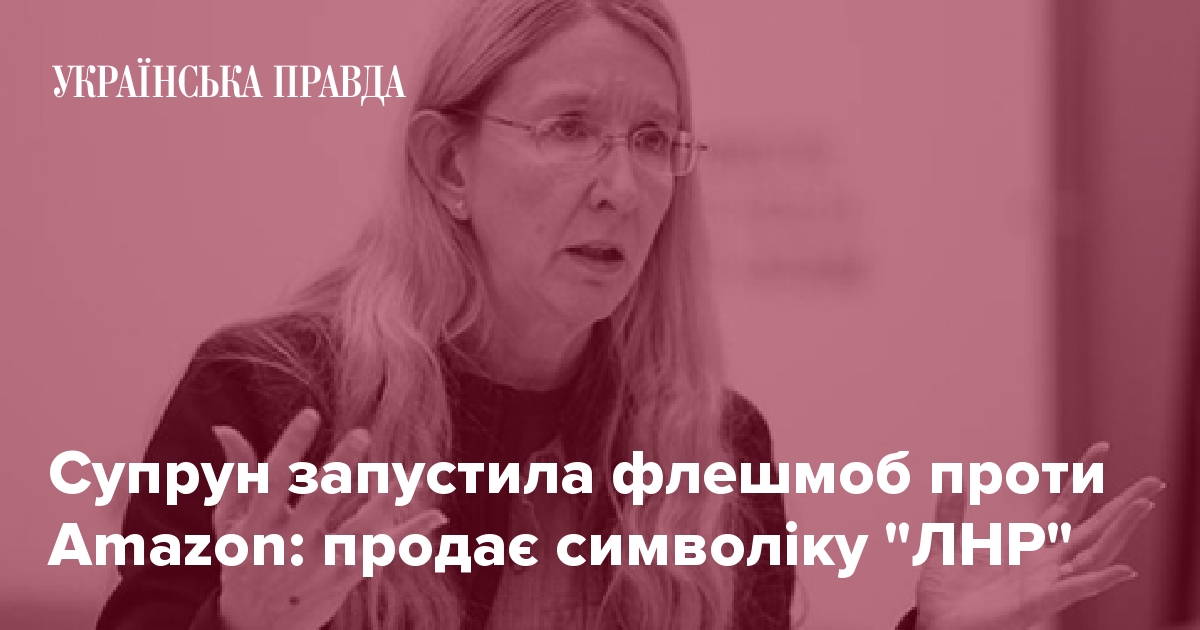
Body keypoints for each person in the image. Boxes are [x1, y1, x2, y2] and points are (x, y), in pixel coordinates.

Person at [95, 1, 1165, 629]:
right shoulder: (269, 400)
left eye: (654, 140)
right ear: (447, 165)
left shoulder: (716, 445)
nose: (622, 186)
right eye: (569, 128)